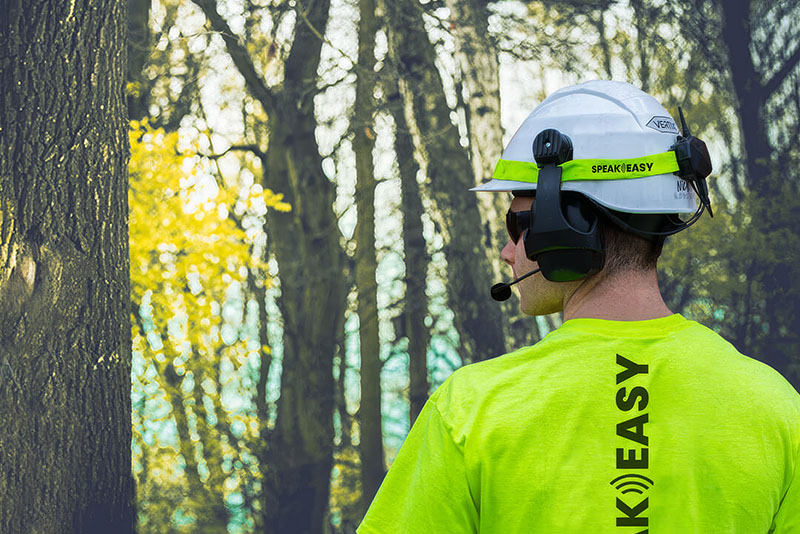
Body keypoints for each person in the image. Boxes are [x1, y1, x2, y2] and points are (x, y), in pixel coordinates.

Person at [357, 80, 799, 533]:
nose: (508, 254)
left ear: (566, 223)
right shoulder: (778, 410)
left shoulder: (470, 412)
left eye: (516, 225)